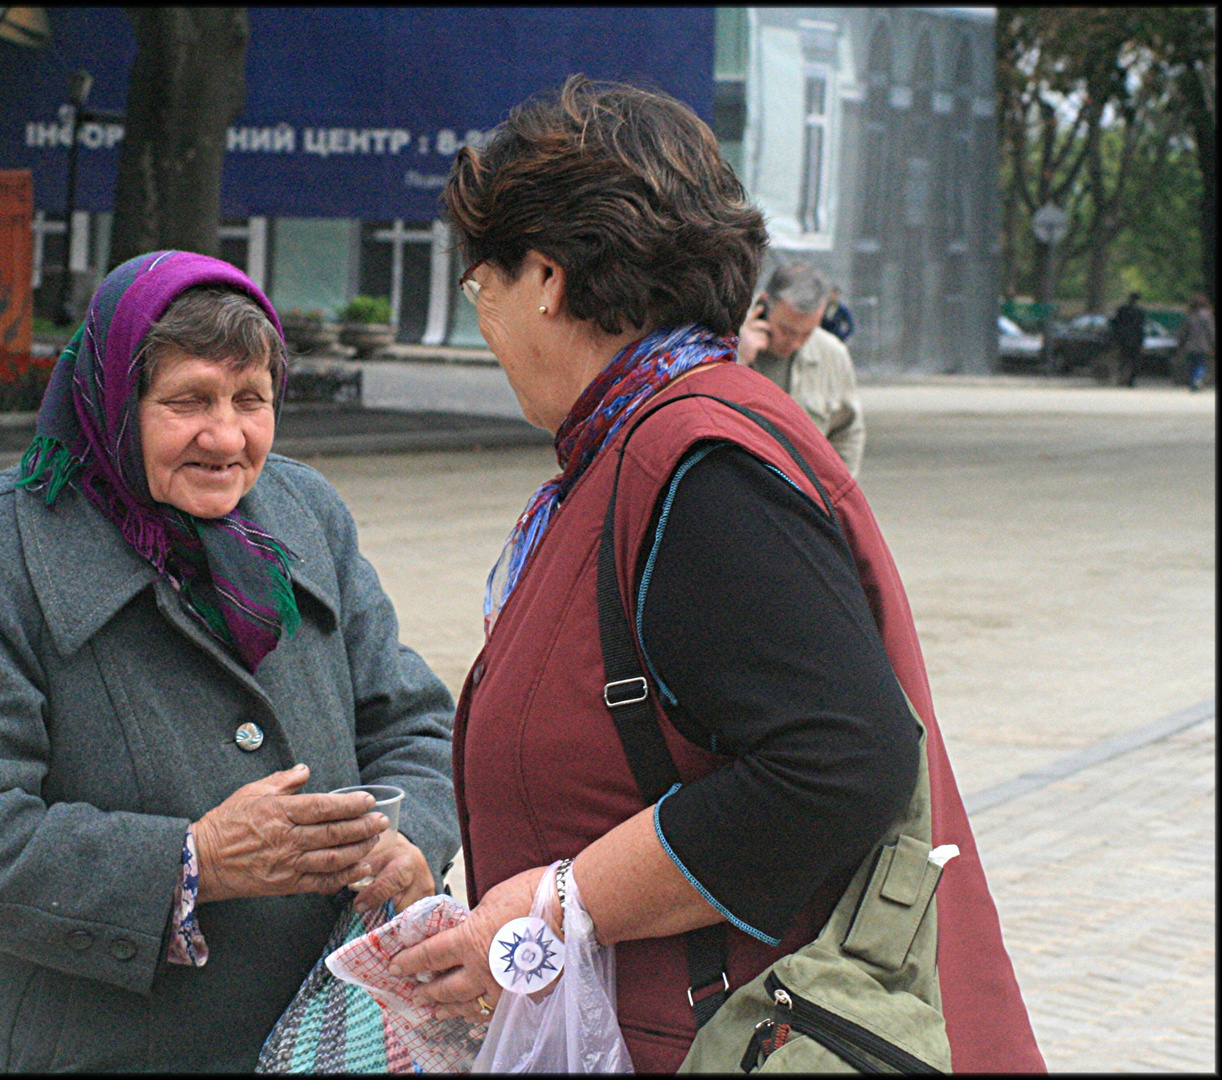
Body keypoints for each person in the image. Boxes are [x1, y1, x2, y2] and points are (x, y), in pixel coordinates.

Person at [384, 76, 1043, 1073]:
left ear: (550, 280)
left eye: (484, 284)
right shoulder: (645, 441)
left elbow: (837, 760)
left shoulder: (689, 459)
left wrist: (559, 904)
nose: (483, 320)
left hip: (714, 1036)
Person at [0, 251, 459, 1072]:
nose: (227, 437)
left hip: (321, 1043)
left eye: (251, 400)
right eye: (187, 401)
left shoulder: (305, 513)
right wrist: (193, 864)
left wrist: (413, 840)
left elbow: (413, 721)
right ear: (114, 400)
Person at [736, 263, 866, 477]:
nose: (794, 342)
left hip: (804, 501)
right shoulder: (722, 342)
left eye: (806, 333)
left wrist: (835, 497)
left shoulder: (832, 354)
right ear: (765, 304)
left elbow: (847, 431)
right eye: (786, 330)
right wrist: (737, 358)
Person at [1176, 292, 1214, 392]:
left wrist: (1180, 344)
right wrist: (1213, 345)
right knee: (1201, 363)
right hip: (1203, 345)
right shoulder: (1207, 315)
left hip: (1190, 345)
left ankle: (1192, 380)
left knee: (1191, 363)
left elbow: (1183, 332)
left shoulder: (1189, 315)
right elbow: (1210, 331)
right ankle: (1197, 379)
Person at [1109, 291, 1146, 387]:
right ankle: (1130, 381)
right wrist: (1141, 341)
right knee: (1133, 362)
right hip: (1135, 340)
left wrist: (1115, 338)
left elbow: (1115, 324)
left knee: (1123, 360)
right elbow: (1141, 327)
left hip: (1123, 339)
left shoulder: (1122, 309)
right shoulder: (1140, 311)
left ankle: (1121, 378)